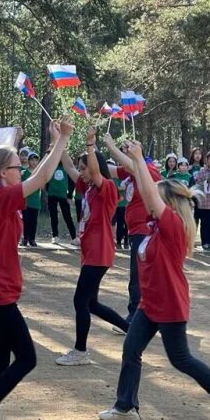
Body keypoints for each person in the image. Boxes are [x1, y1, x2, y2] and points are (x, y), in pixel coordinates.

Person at [98, 139, 210, 420]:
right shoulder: (152, 226)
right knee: (131, 349)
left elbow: (149, 192)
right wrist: (123, 155)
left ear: (166, 204)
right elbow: (143, 187)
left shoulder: (173, 225)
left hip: (170, 304)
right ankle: (126, 407)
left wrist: (140, 159)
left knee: (181, 359)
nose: (146, 199)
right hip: (150, 303)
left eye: (154, 198)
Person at [0, 116, 70, 420]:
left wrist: (48, 141)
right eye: (16, 165)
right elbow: (41, 177)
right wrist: (62, 140)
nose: (21, 168)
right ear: (1, 174)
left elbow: (34, 177)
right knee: (27, 357)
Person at [56, 127, 130, 366]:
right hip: (91, 252)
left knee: (80, 301)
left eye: (84, 167)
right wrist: (60, 139)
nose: (81, 171)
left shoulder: (105, 187)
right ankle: (131, 329)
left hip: (99, 251)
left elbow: (96, 172)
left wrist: (90, 145)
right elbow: (67, 166)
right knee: (92, 303)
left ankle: (80, 351)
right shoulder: (87, 187)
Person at [103, 134, 163, 319]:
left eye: (127, 152)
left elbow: (132, 166)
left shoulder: (149, 169)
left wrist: (112, 147)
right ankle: (148, 314)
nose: (124, 155)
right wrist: (92, 152)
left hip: (146, 230)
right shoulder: (132, 171)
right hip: (136, 230)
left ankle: (135, 316)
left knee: (138, 275)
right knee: (139, 274)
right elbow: (110, 169)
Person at [46, 157, 78, 245]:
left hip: (63, 195)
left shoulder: (67, 165)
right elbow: (46, 177)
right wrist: (47, 189)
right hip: (52, 194)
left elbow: (72, 181)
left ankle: (74, 237)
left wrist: (70, 195)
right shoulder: (52, 164)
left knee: (67, 216)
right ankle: (55, 236)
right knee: (53, 216)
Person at [21, 152, 42, 247]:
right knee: (26, 220)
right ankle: (25, 238)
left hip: (35, 202)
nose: (34, 162)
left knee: (34, 221)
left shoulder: (39, 174)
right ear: (28, 161)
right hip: (26, 201)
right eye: (32, 160)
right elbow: (21, 185)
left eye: (36, 160)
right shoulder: (24, 173)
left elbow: (43, 187)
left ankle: (32, 239)